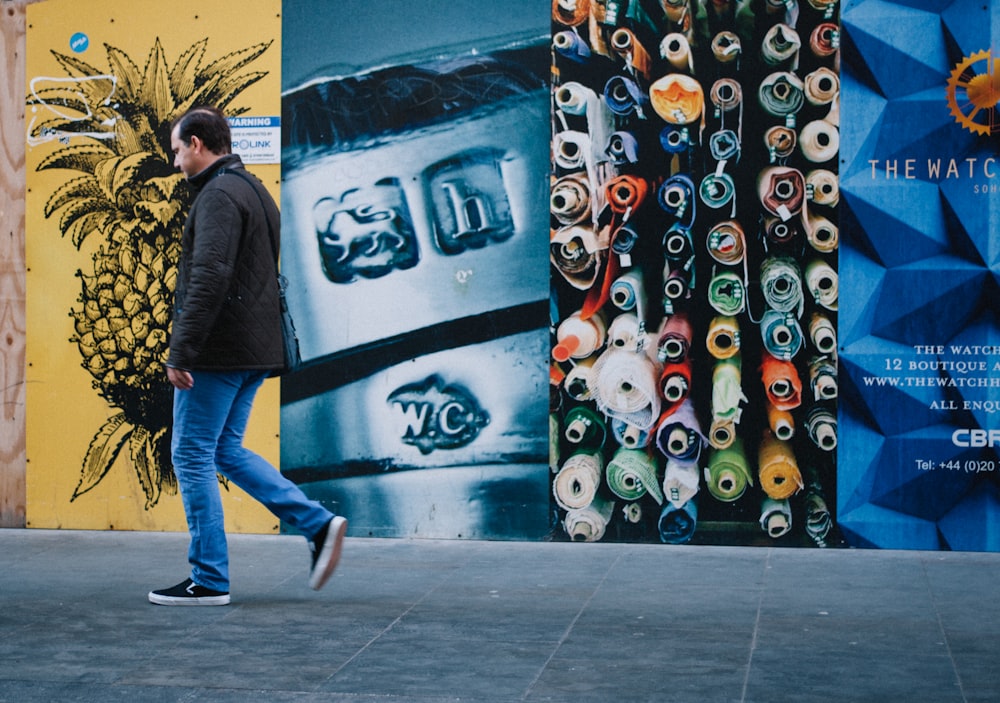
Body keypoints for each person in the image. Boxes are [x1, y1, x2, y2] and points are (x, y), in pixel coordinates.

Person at [148, 106, 347, 606]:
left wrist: (182, 351)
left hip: (218, 353)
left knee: (191, 455)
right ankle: (318, 524)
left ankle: (209, 578)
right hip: (255, 349)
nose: (176, 164)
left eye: (176, 152)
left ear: (196, 144)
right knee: (224, 451)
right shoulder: (256, 191)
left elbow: (210, 276)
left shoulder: (217, 196)